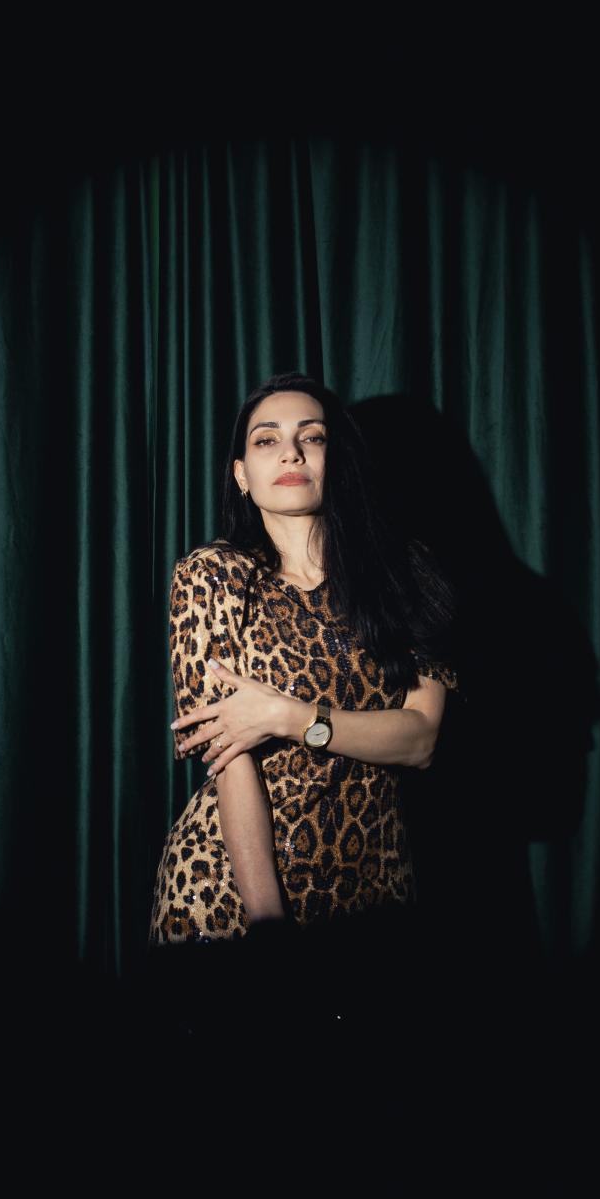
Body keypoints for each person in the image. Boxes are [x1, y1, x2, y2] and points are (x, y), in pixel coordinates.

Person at [149, 372, 458, 945]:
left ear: (339, 462)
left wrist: (287, 716)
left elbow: (420, 740)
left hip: (377, 892)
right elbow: (228, 762)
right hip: (230, 894)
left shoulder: (405, 574)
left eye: (312, 437)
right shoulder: (212, 576)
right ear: (241, 474)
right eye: (266, 439)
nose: (290, 451)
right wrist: (269, 928)